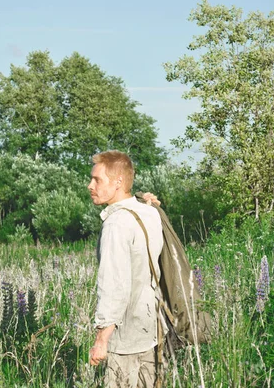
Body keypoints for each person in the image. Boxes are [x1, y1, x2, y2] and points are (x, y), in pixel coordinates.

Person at [87, 150, 164, 387]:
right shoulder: (150, 212)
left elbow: (114, 285)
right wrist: (148, 202)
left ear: (118, 182)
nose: (90, 185)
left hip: (126, 332)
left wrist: (102, 339)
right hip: (152, 327)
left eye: (97, 179)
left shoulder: (116, 223)